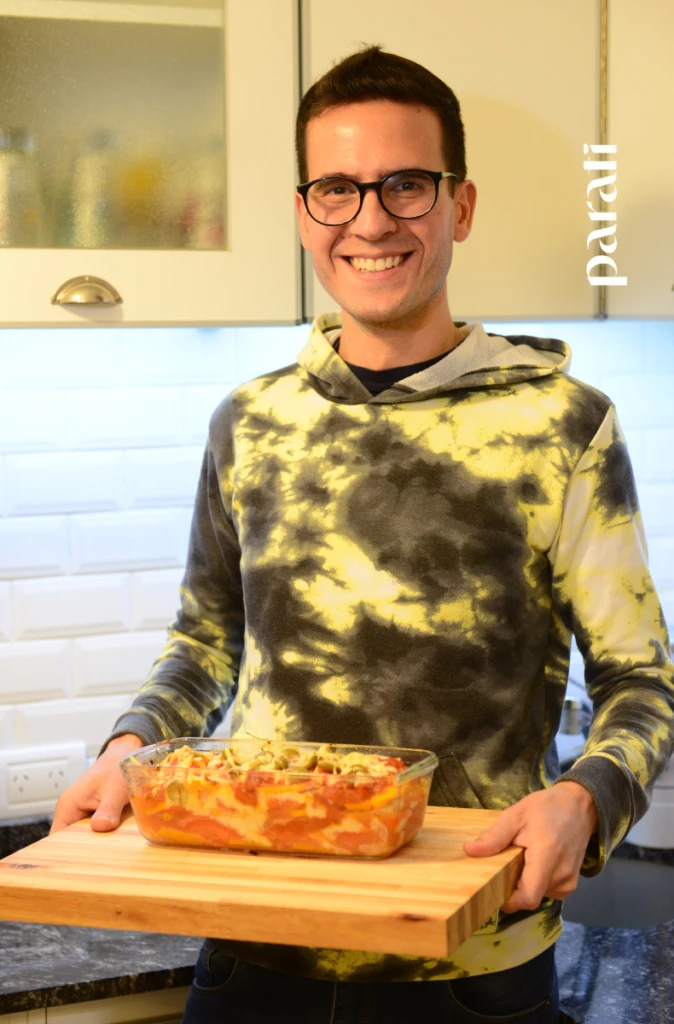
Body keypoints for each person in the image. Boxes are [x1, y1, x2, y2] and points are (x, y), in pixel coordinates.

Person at [52, 46, 674, 1024]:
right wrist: (131, 747)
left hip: (469, 965)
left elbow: (641, 682)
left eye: (405, 186)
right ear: (304, 213)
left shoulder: (563, 424)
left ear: (458, 206)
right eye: (337, 189)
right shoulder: (248, 422)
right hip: (255, 953)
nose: (371, 219)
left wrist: (585, 798)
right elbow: (203, 645)